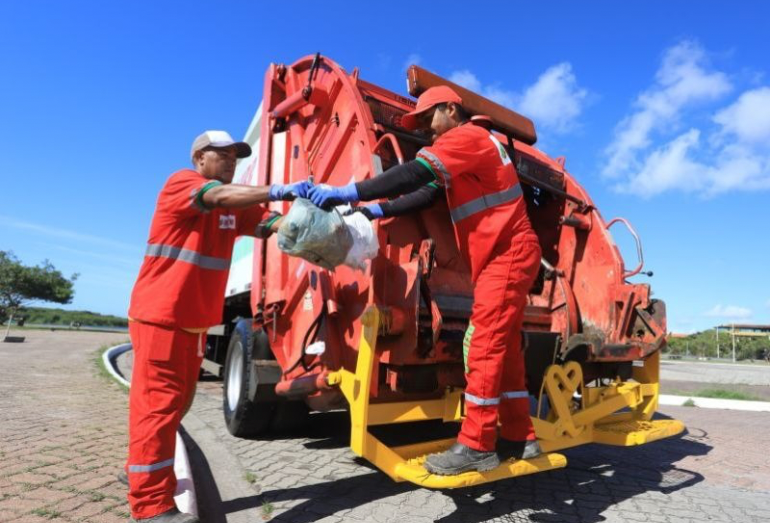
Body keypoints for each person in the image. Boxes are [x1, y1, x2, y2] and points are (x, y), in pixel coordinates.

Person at [307, 86, 542, 475]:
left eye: (429, 119)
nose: (427, 131)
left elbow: (414, 173)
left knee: (481, 343)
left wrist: (348, 192)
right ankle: (521, 436)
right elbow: (425, 194)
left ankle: (477, 444)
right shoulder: (473, 148)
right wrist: (373, 210)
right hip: (507, 254)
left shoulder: (467, 137)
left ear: (452, 109)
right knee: (506, 349)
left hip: (507, 254)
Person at [125, 130, 309, 522]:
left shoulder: (230, 208)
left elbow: (271, 222)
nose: (231, 161)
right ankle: (150, 506)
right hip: (162, 318)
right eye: (221, 154)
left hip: (192, 323)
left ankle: (146, 476)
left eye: (235, 156)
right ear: (199, 159)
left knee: (175, 407)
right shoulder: (183, 184)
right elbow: (221, 196)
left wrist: (318, 220)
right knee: (157, 409)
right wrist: (281, 188)